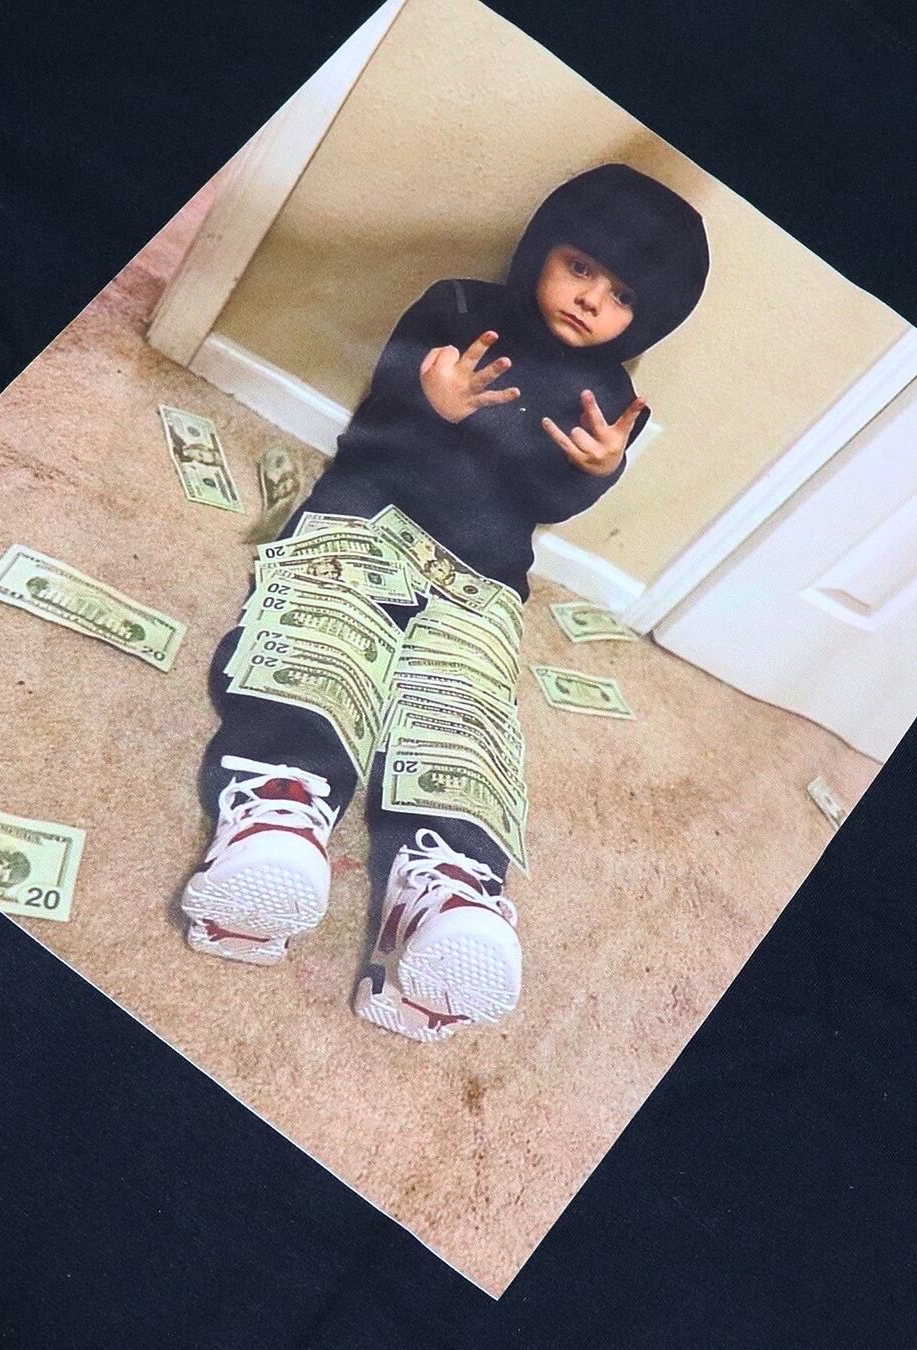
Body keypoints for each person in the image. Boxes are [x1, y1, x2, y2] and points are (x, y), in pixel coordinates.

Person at [179, 162, 710, 1041]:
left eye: (621, 296)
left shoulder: (615, 402)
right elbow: (377, 418)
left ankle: (450, 893)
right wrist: (427, 399)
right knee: (326, 633)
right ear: (543, 249)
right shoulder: (459, 307)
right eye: (580, 267)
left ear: (648, 319)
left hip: (483, 566)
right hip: (372, 513)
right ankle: (279, 805)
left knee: (462, 704)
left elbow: (544, 501)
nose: (590, 300)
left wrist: (596, 475)